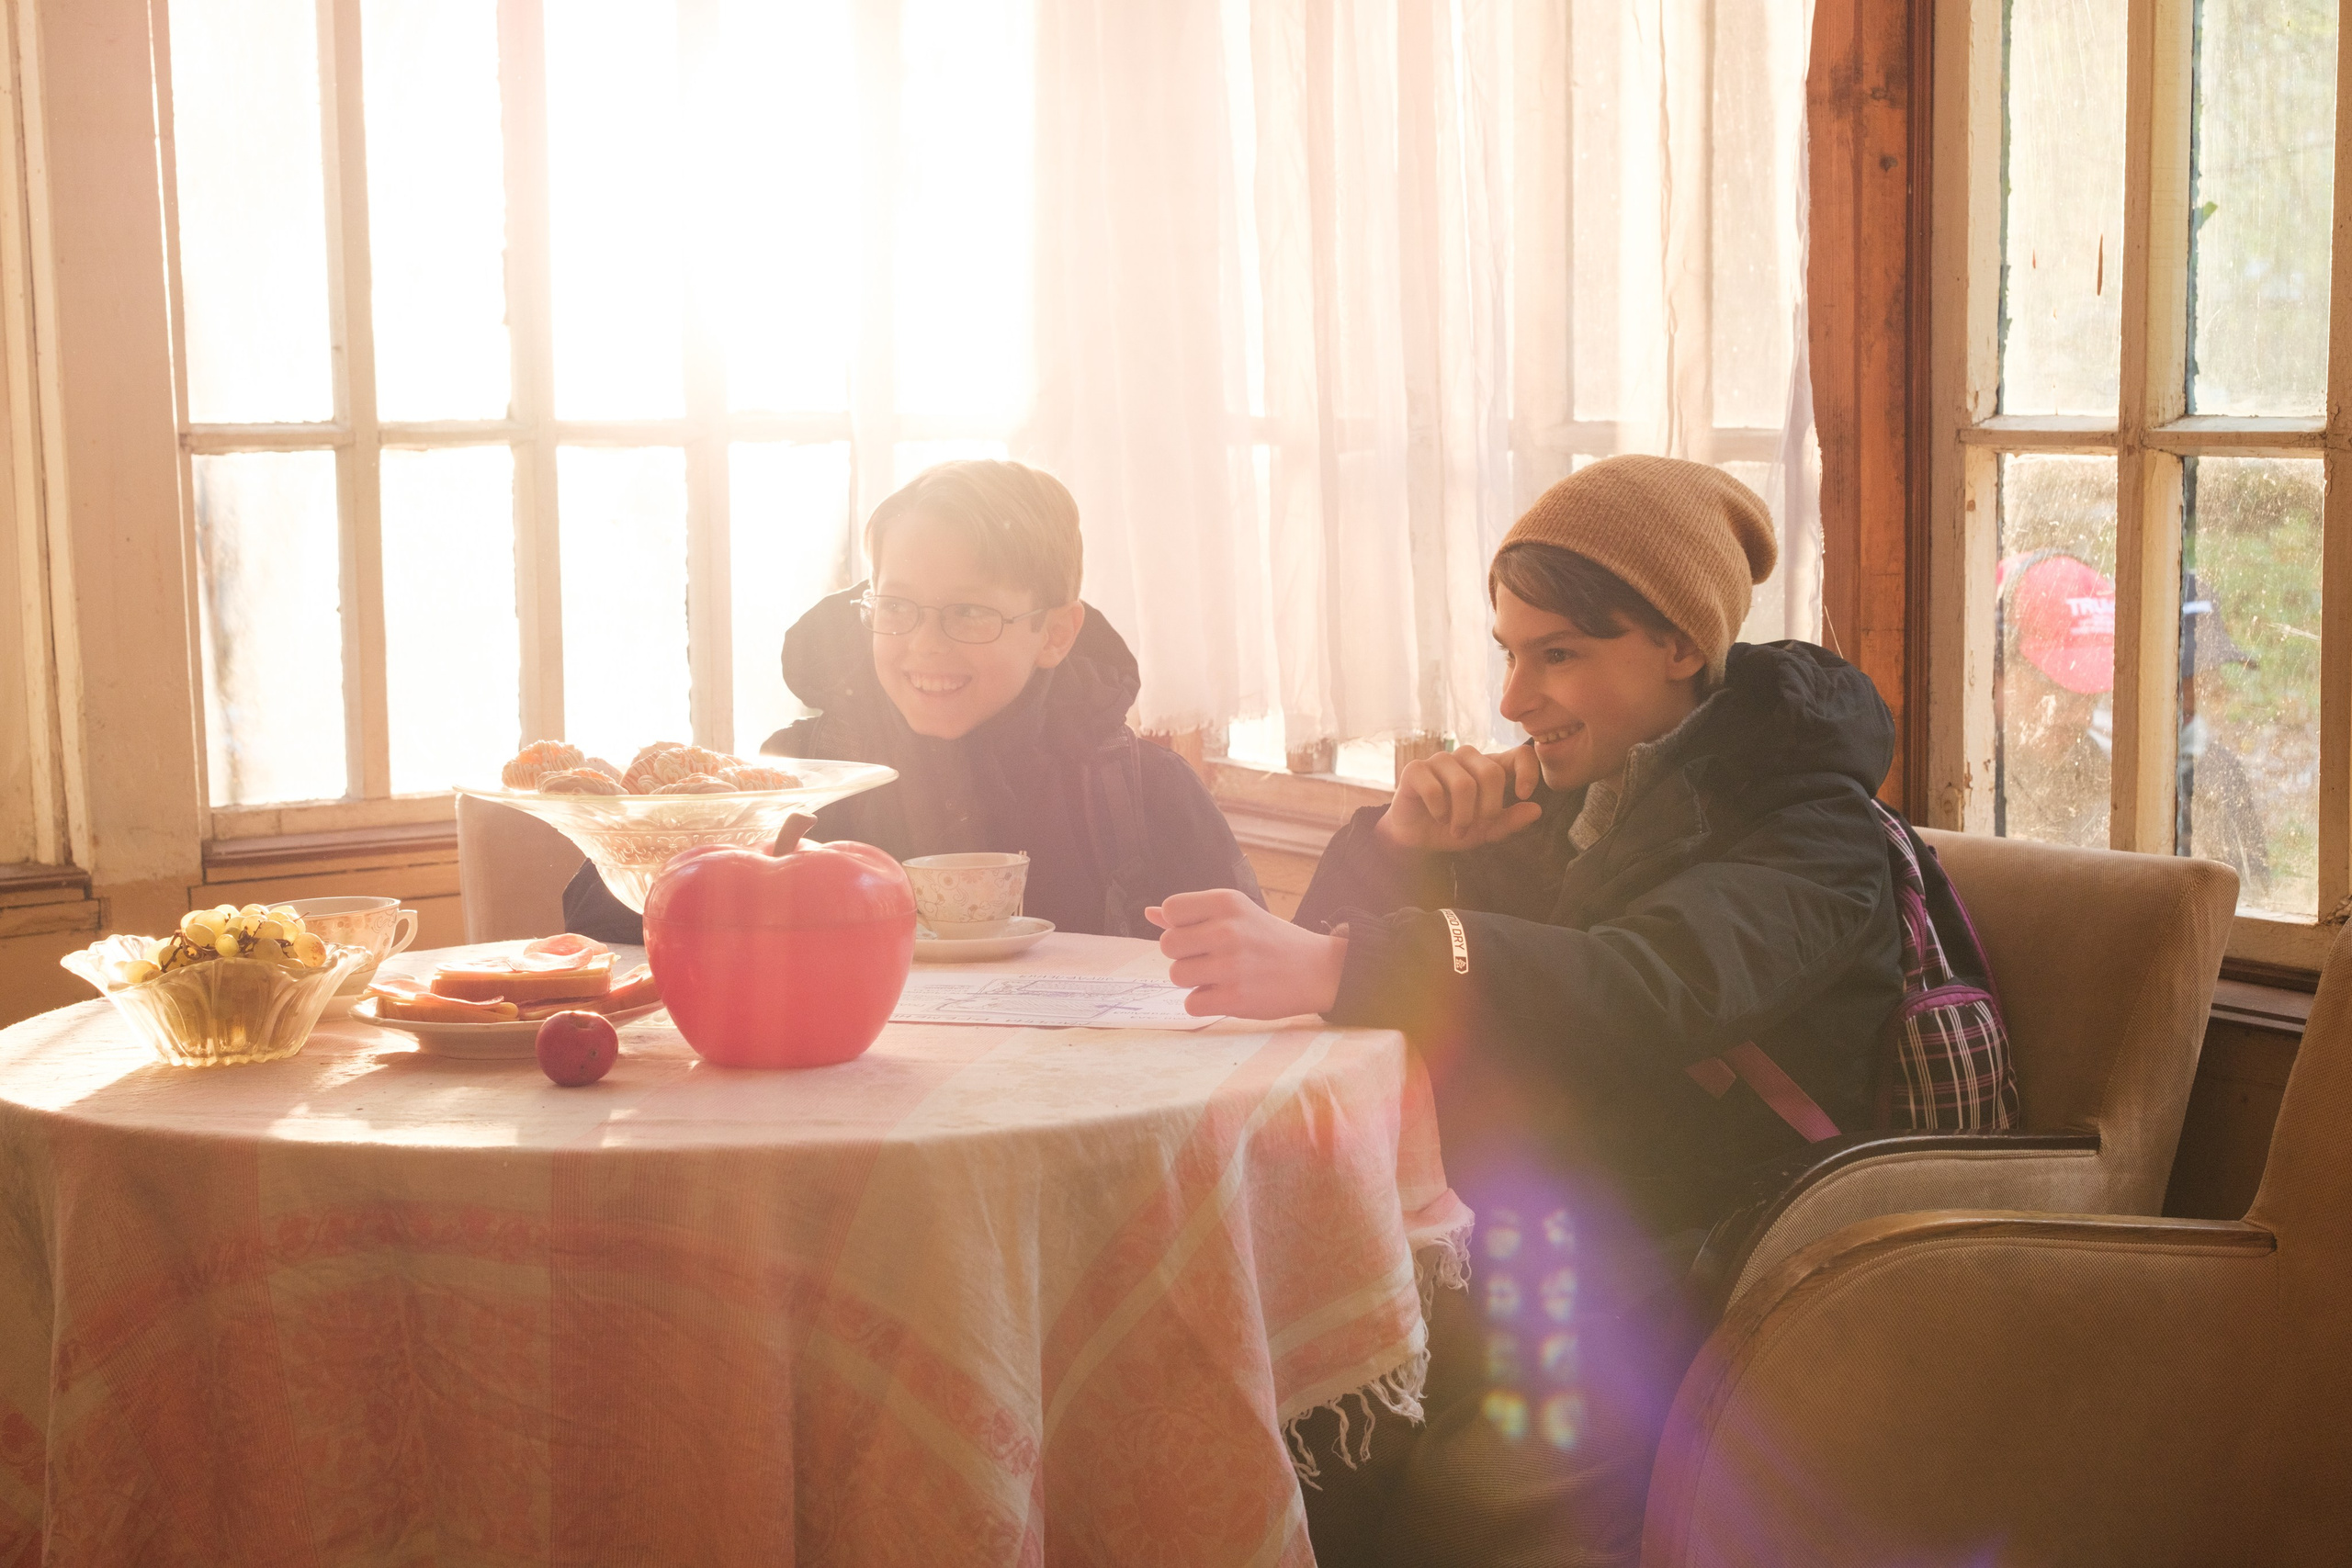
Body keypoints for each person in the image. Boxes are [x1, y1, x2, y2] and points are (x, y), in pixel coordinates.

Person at [1148, 457, 1904, 1566]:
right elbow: (1396, 1000)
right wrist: (1400, 853)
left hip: (1695, 1242)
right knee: (1212, 1348)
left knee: (1313, 1413)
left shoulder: (1812, 827)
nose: (1512, 699)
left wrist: (1360, 957)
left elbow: (1647, 986)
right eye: (1509, 651)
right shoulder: (1572, 794)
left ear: (1681, 646)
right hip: (1519, 1213)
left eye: (1559, 654)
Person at [564, 460, 1261, 943]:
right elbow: (604, 925)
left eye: (968, 613)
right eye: (896, 608)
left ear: (1055, 631)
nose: (925, 645)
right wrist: (708, 852)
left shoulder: (1143, 797)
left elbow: (1245, 975)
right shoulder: (802, 774)